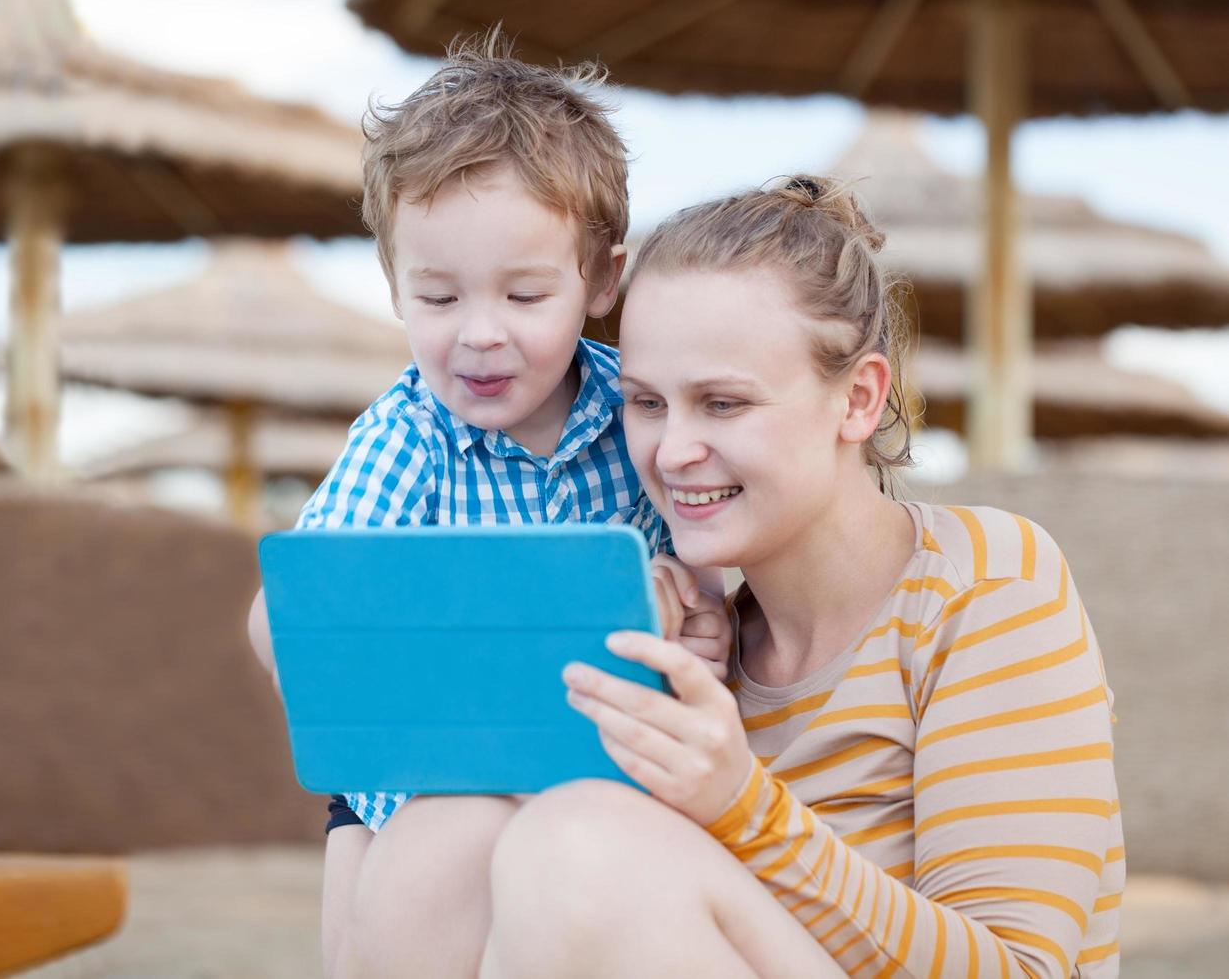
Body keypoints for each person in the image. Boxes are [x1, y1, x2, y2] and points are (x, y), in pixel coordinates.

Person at [471, 176, 1125, 977]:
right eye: (646, 403)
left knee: (578, 843)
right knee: (454, 839)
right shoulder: (700, 648)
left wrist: (743, 806)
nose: (672, 451)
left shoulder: (988, 588)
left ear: (857, 399)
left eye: (722, 403)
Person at [244, 37, 732, 977]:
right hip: (423, 784)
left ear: (600, 281)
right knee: (384, 909)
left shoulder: (636, 410)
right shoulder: (407, 435)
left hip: (599, 768)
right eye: (436, 296)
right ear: (395, 285)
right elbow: (302, 609)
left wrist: (697, 617)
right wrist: (316, 648)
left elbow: (700, 575)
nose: (479, 333)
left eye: (523, 293)